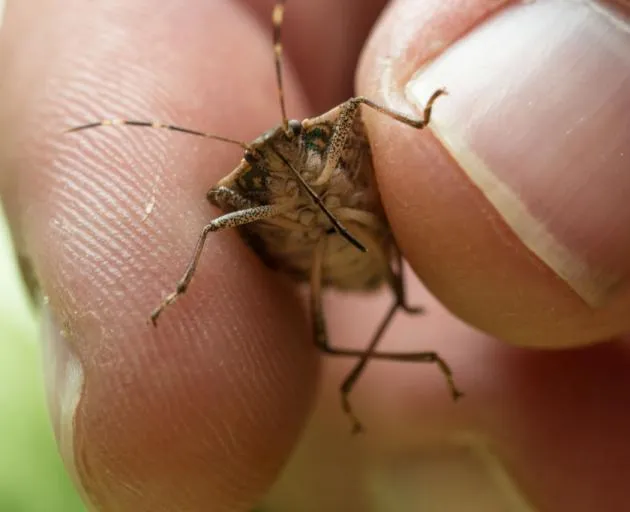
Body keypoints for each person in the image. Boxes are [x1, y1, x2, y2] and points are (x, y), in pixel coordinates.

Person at [1, 0, 628, 510]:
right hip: (326, 263)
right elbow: (212, 217)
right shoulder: (253, 200)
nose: (283, 159)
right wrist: (178, 291)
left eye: (289, 147)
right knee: (327, 345)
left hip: (375, 236)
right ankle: (407, 358)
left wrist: (418, 123)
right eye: (269, 162)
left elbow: (355, 107)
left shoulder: (327, 142)